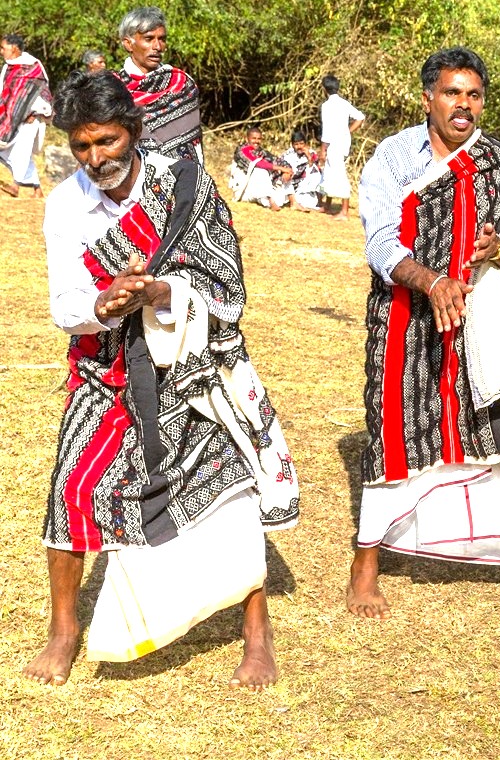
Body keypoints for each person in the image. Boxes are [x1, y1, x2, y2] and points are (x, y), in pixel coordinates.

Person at [23, 70, 299, 689]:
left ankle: (257, 636)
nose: (96, 158)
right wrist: (104, 305)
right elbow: (64, 301)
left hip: (195, 366)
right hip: (108, 370)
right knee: (72, 490)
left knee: (231, 489)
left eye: (109, 142)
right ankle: (64, 632)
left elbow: (226, 279)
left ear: (136, 130)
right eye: (83, 145)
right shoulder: (66, 203)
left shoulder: (186, 183)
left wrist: (162, 291)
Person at [348, 47, 500, 632]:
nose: (463, 106)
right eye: (451, 94)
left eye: (473, 96)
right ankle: (366, 560)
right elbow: (381, 242)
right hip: (403, 314)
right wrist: (431, 280)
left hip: (481, 320)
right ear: (428, 99)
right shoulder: (394, 157)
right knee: (394, 427)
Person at [115, 7, 204, 164]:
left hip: (182, 175)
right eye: (149, 39)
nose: (157, 47)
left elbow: (193, 143)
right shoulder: (113, 88)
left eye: (162, 39)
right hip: (130, 178)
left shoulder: (181, 84)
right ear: (128, 44)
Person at [0, 34, 52, 198]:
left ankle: (15, 186)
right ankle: (38, 189)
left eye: (3, 48)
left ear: (14, 48)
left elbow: (43, 93)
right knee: (17, 152)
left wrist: (35, 111)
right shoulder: (7, 67)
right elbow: (5, 93)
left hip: (31, 118)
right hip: (10, 118)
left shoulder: (33, 67)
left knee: (22, 151)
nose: (1, 52)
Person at [318, 74, 364, 220]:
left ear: (324, 89)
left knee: (339, 175)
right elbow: (360, 117)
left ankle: (344, 211)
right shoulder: (344, 103)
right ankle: (327, 205)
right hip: (343, 143)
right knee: (330, 173)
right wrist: (348, 131)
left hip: (333, 144)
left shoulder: (326, 106)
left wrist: (323, 149)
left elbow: (327, 130)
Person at [228, 126, 293, 211]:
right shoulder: (242, 150)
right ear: (247, 138)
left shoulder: (262, 152)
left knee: (280, 198)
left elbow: (278, 160)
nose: (256, 141)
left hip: (261, 187)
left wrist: (287, 171)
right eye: (254, 138)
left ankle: (293, 202)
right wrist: (280, 168)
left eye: (259, 139)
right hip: (244, 189)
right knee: (260, 171)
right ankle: (270, 201)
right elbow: (257, 163)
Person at [280, 129, 323, 211]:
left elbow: (315, 168)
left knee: (317, 173)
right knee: (286, 176)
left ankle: (319, 202)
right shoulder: (287, 155)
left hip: (304, 185)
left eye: (301, 144)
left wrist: (309, 157)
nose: (299, 146)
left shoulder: (311, 153)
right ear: (292, 145)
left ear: (305, 144)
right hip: (290, 184)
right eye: (296, 144)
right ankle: (293, 202)